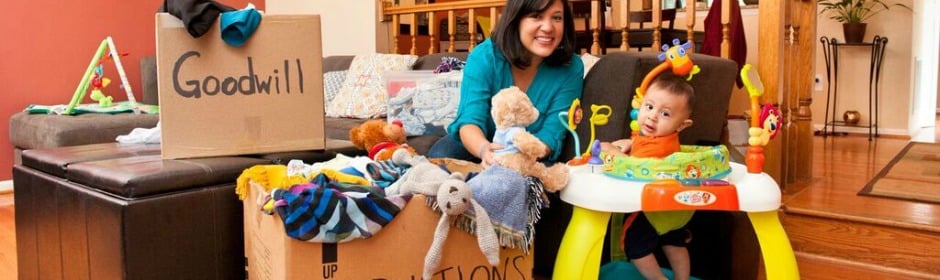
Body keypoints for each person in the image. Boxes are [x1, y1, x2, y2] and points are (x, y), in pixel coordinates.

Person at [427, 0, 584, 165]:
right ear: (516, 20)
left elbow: (552, 133)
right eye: (536, 16)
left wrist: (516, 161)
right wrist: (484, 150)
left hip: (531, 152)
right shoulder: (484, 57)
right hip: (482, 141)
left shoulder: (571, 68)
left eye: (557, 18)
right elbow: (469, 119)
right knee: (441, 153)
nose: (548, 27)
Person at [601, 72, 696, 280]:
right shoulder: (665, 139)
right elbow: (643, 146)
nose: (652, 116)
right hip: (678, 208)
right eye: (649, 107)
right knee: (674, 244)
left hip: (654, 209)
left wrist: (609, 149)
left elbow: (634, 164)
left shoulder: (655, 145)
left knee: (635, 247)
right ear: (640, 105)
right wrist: (630, 143)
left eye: (665, 114)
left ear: (682, 125)